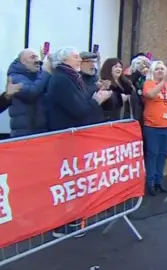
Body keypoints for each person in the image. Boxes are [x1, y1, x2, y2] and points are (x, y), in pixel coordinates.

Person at [45, 47, 112, 238]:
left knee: (74, 181)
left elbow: (80, 102)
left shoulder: (70, 78)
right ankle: (64, 225)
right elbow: (79, 109)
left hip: (72, 136)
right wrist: (97, 100)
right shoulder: (62, 79)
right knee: (67, 183)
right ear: (64, 60)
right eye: (75, 57)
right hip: (66, 137)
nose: (79, 60)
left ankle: (74, 219)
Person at [142, 61, 167, 195]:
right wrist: (163, 82)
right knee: (152, 154)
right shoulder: (149, 84)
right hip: (152, 126)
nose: (160, 71)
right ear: (152, 71)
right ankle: (150, 183)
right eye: (157, 69)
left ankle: (159, 181)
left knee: (163, 155)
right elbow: (150, 95)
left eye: (162, 69)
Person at [7, 49, 52, 137]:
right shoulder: (14, 77)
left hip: (39, 131)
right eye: (33, 57)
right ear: (23, 61)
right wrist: (45, 71)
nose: (37, 61)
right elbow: (31, 92)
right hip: (24, 133)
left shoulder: (37, 75)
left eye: (37, 58)